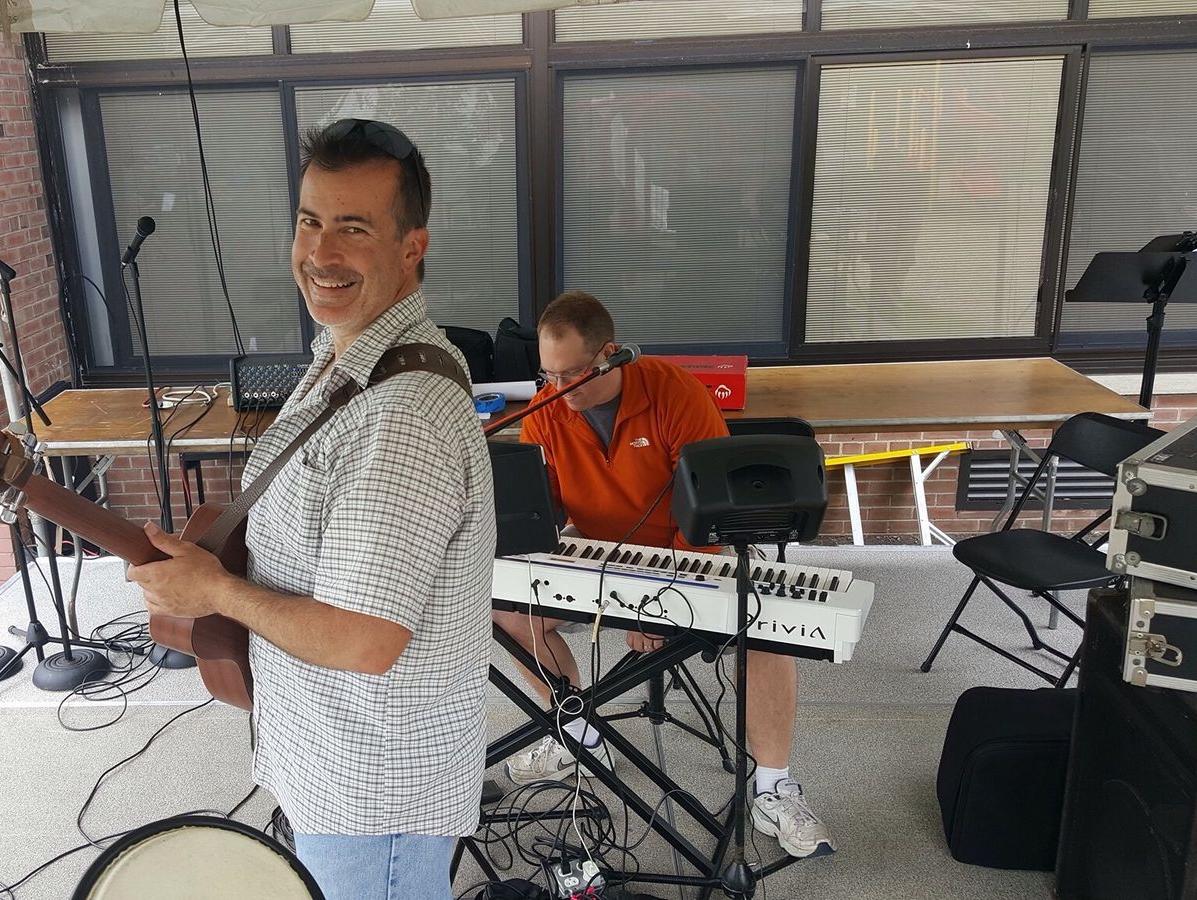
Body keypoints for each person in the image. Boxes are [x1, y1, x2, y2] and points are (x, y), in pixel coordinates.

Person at [126, 119, 494, 900]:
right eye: (309, 221)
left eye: (353, 228)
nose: (320, 253)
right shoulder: (346, 356)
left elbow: (364, 640)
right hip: (333, 764)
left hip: (373, 795)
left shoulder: (400, 414)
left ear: (412, 247)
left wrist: (215, 591)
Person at [496, 291, 834, 859]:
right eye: (548, 375)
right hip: (601, 549)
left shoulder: (675, 393)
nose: (559, 389)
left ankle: (773, 788)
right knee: (508, 614)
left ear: (610, 354)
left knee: (769, 631)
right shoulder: (547, 408)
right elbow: (543, 508)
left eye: (573, 374)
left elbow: (707, 509)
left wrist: (657, 604)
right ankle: (579, 735)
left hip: (690, 551)